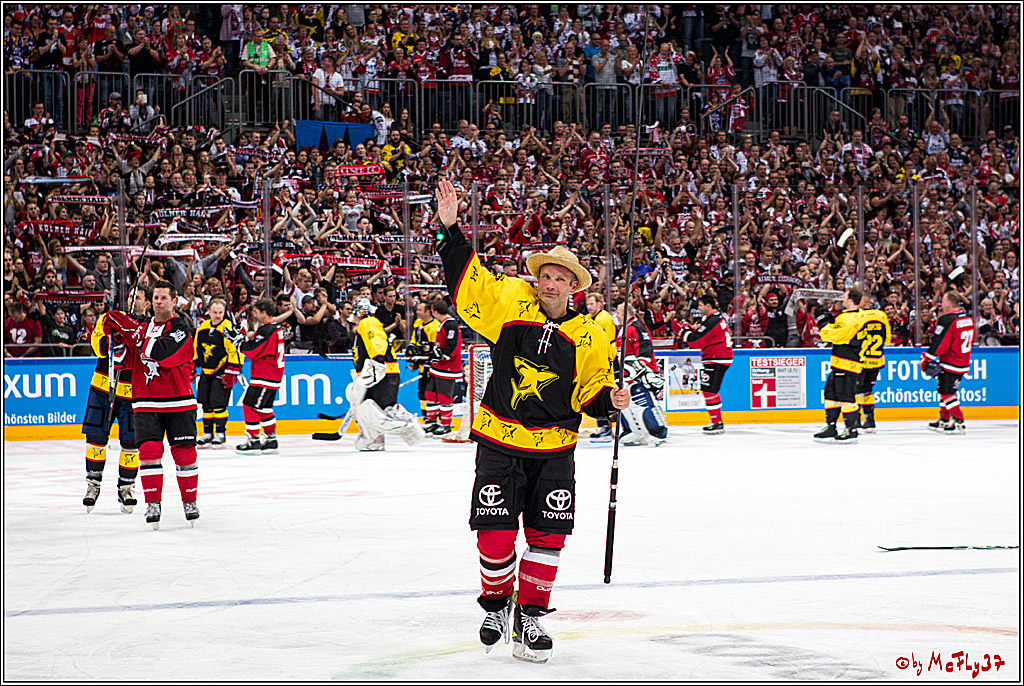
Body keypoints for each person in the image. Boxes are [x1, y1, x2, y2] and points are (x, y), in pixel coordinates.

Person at [434, 178, 629, 664]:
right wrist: (451, 229)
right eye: (544, 274)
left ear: (573, 287)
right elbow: (468, 283)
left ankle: (531, 615)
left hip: (555, 449)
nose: (549, 282)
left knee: (547, 536)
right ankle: (498, 606)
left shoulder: (591, 334)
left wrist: (612, 401)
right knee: (495, 534)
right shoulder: (510, 306)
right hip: (500, 441)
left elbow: (591, 391)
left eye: (560, 277)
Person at [101, 280, 199, 530]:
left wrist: (132, 333)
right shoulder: (141, 327)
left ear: (174, 301)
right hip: (145, 402)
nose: (158, 301)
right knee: (148, 454)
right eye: (155, 297)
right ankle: (153, 504)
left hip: (179, 402)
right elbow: (122, 362)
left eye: (164, 297)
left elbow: (162, 352)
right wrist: (116, 338)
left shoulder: (181, 327)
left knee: (184, 454)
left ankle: (190, 502)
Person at [80, 287, 150, 514]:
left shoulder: (148, 326)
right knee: (96, 437)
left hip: (132, 392)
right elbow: (97, 347)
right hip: (102, 387)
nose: (132, 299)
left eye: (137, 297)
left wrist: (128, 333)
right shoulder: (108, 318)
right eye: (130, 296)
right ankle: (93, 484)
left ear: (146, 303)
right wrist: (112, 336)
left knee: (131, 442)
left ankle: (126, 487)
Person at [349, 297, 424, 451]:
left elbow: (376, 343)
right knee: (375, 409)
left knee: (369, 409)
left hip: (380, 373)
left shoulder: (367, 322)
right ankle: (375, 440)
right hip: (379, 373)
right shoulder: (366, 325)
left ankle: (408, 427)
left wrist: (377, 362)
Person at [814, 287, 865, 444]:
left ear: (850, 300)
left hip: (847, 363)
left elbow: (831, 335)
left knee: (846, 396)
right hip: (839, 362)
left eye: (845, 296)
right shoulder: (853, 316)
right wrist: (831, 320)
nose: (842, 299)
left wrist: (823, 322)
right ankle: (831, 426)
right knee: (831, 393)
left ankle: (851, 429)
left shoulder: (849, 319)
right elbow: (839, 329)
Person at [920, 291, 975, 434]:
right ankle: (944, 418)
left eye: (943, 301)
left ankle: (958, 421)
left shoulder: (947, 320)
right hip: (962, 361)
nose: (941, 304)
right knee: (945, 390)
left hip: (950, 362)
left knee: (946, 392)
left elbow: (940, 343)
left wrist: (927, 357)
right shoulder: (968, 319)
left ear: (949, 303)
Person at [235, 299, 285, 454]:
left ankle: (254, 439)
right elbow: (256, 340)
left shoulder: (267, 330)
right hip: (271, 374)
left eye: (256, 312)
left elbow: (253, 350)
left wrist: (238, 343)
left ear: (264, 313)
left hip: (265, 375)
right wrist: (242, 337)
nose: (254, 315)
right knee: (264, 407)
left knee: (249, 405)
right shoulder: (273, 328)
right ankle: (271, 439)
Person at [680, 294, 734, 434]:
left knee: (709, 390)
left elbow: (695, 341)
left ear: (708, 306)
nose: (699, 308)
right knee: (710, 389)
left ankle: (716, 422)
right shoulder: (716, 319)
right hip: (718, 357)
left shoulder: (712, 321)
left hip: (716, 357)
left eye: (701, 305)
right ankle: (716, 421)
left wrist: (683, 331)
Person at [615, 302, 668, 446]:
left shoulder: (636, 326)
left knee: (642, 402)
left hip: (640, 373)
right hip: (627, 374)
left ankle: (658, 432)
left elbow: (645, 349)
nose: (617, 316)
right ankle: (634, 431)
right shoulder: (624, 329)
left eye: (619, 313)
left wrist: (639, 371)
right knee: (626, 405)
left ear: (627, 313)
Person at [193, 298, 242, 449]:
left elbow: (235, 349)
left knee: (218, 403)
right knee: (205, 403)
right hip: (206, 371)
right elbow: (196, 348)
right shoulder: (203, 327)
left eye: (221, 312)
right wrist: (193, 366)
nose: (218, 315)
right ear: (209, 312)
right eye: (215, 312)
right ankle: (207, 433)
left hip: (222, 370)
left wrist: (233, 369)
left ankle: (220, 433)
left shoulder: (228, 328)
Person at [426, 298, 462, 437]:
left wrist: (443, 355)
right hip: (438, 366)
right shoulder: (444, 324)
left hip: (448, 368)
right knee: (430, 393)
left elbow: (453, 345)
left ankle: (445, 425)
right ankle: (432, 422)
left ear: (435, 311)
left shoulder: (450, 324)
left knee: (444, 395)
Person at [585, 292, 617, 442]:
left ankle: (607, 429)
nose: (589, 307)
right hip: (598, 356)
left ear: (600, 303)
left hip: (606, 357)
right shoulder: (591, 318)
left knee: (602, 390)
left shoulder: (603, 318)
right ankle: (603, 427)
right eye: (588, 304)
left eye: (592, 304)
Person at [856, 293, 891, 433]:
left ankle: (856, 419)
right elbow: (887, 340)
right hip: (876, 360)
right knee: (867, 391)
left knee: (855, 391)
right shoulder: (881, 315)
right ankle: (869, 419)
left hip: (861, 360)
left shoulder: (858, 316)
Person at [405, 298, 439, 431]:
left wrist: (423, 353)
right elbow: (415, 340)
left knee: (433, 392)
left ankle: (436, 419)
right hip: (421, 366)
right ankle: (426, 418)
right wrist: (413, 349)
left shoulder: (435, 326)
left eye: (420, 309)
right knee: (422, 392)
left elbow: (434, 349)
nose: (417, 311)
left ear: (428, 312)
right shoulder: (418, 323)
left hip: (432, 366)